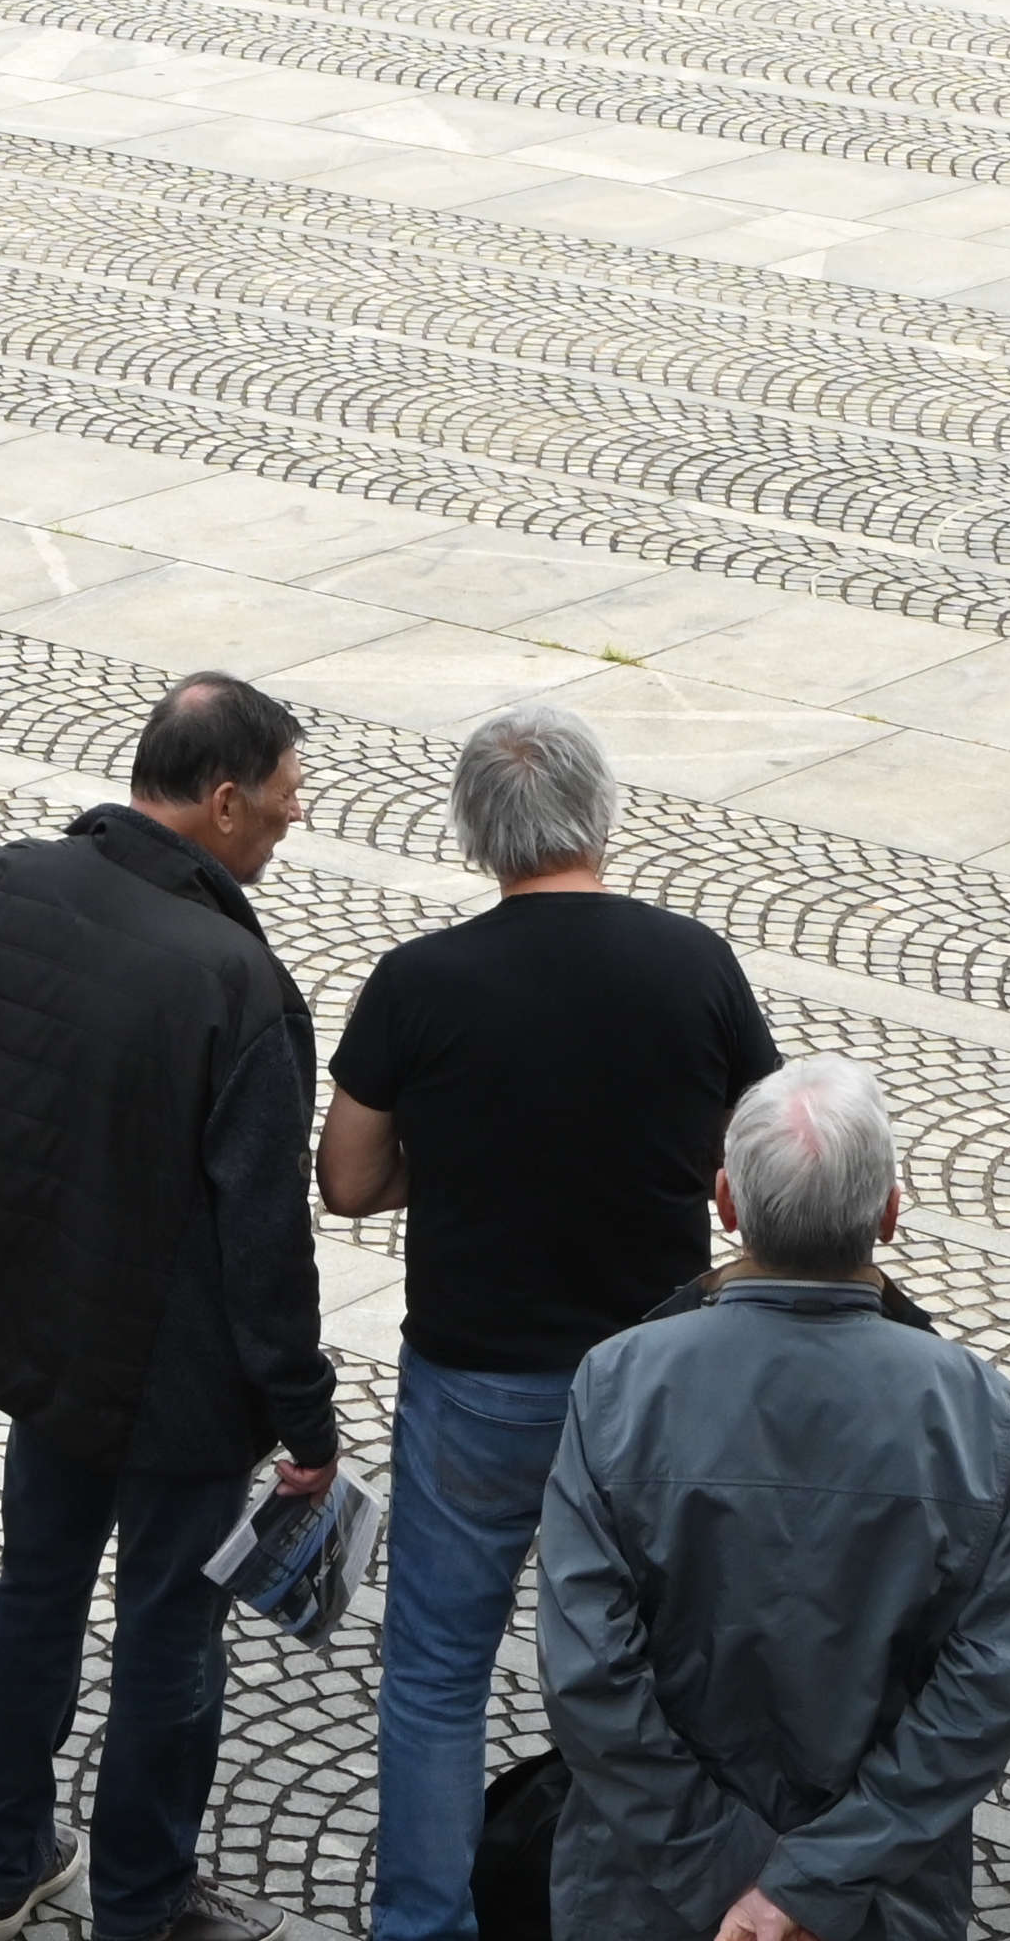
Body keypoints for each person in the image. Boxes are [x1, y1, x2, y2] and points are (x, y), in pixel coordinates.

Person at [0, 675, 335, 1941]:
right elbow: (266, 1242)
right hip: (179, 1380)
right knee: (169, 1637)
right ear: (217, 803)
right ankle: (145, 1900)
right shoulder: (242, 985)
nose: (286, 825)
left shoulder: (16, 880)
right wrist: (304, 1416)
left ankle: (5, 1862)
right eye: (277, 805)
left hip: (44, 1332)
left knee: (38, 1586)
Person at [320, 702, 776, 1941]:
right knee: (663, 1670)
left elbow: (350, 1179)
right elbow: (760, 1172)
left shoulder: (421, 984)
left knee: (435, 1669)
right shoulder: (697, 965)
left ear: (477, 832)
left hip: (476, 1382)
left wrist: (457, 1161)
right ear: (603, 811)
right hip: (654, 1385)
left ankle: (423, 1923)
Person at [534, 1058, 1010, 1941]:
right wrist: (807, 1886)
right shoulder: (979, 1413)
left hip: (647, 1896)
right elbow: (978, 1699)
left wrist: (728, 1873)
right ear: (889, 1210)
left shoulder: (621, 1383)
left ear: (727, 1202)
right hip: (880, 1902)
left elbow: (589, 1675)